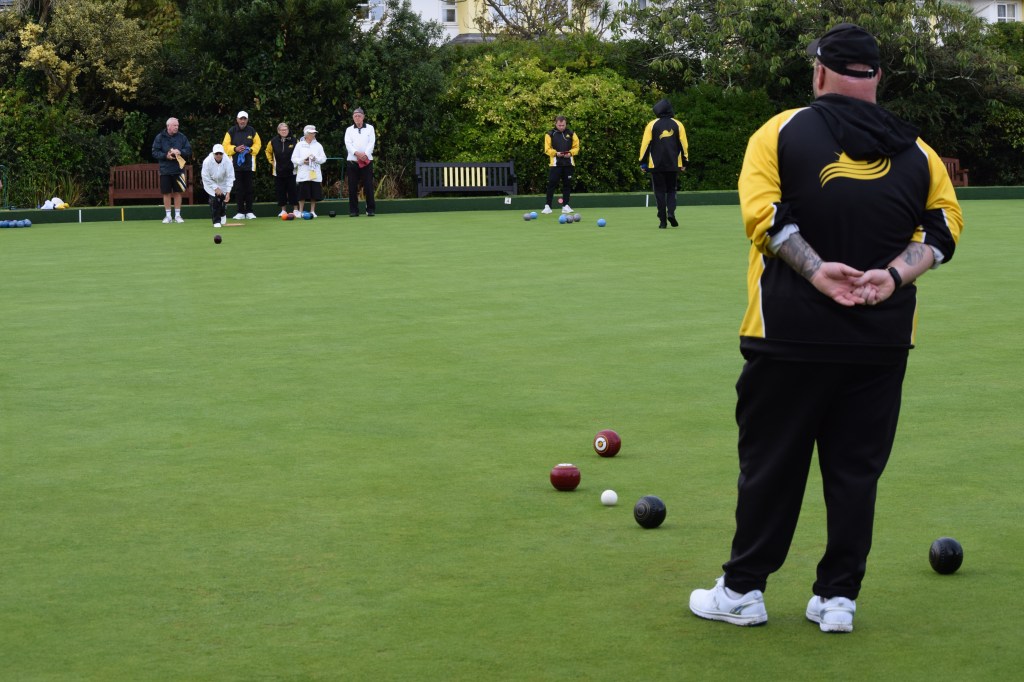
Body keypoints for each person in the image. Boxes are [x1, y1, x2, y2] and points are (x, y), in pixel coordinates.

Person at [688, 23, 963, 633]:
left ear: (818, 73)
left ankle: (742, 590)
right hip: (881, 339)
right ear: (877, 77)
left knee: (771, 466)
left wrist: (817, 273)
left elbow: (765, 218)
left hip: (788, 334)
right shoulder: (918, 152)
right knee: (855, 472)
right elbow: (944, 230)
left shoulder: (778, 131)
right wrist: (892, 276)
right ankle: (838, 599)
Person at [639, 100, 688, 229]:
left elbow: (645, 145)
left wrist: (643, 163)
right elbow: (684, 145)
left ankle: (662, 221)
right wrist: (685, 162)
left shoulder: (651, 125)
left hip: (656, 165)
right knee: (671, 190)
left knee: (659, 191)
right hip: (673, 163)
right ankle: (671, 212)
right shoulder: (678, 124)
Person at [151, 117, 192, 223]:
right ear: (168, 126)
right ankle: (168, 216)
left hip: (179, 169)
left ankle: (178, 216)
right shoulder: (160, 137)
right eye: (174, 125)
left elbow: (188, 150)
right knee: (166, 193)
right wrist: (166, 156)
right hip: (165, 170)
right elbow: (154, 152)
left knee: (178, 192)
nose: (176, 127)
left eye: (177, 125)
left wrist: (180, 152)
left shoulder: (182, 137)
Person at [222, 111, 262, 220]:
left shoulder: (252, 131)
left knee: (249, 189)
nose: (243, 121)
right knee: (239, 189)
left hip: (249, 165)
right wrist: (235, 149)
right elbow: (225, 146)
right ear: (237, 119)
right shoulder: (231, 131)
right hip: (235, 166)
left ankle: (249, 211)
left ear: (247, 120)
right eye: (241, 119)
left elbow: (258, 144)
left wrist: (250, 150)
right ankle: (240, 211)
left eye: (244, 119)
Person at [541, 115, 579, 215]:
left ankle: (565, 206)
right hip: (555, 164)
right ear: (556, 124)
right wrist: (556, 153)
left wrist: (570, 153)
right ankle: (548, 206)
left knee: (567, 185)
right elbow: (547, 149)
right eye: (559, 125)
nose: (561, 127)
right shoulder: (550, 134)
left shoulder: (571, 133)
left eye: (563, 125)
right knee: (551, 184)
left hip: (568, 163)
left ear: (566, 124)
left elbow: (576, 147)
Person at [344, 107, 376, 217]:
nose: (357, 118)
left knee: (368, 186)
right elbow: (348, 144)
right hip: (352, 161)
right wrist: (357, 153)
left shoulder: (370, 128)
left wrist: (365, 154)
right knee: (352, 187)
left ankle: (370, 210)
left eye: (359, 116)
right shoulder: (349, 130)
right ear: (353, 118)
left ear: (363, 117)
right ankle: (354, 210)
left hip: (367, 161)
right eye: (355, 116)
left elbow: (371, 142)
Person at [292, 125, 327, 218]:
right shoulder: (299, 145)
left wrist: (315, 159)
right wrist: (303, 161)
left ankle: (312, 211)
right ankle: (300, 211)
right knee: (302, 194)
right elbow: (294, 158)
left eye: (314, 133)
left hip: (315, 173)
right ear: (306, 134)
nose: (313, 134)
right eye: (311, 133)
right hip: (303, 173)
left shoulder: (318, 145)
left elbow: (323, 159)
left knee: (314, 194)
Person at [266, 122, 298, 218]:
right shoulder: (273, 141)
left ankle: (295, 210)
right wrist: (272, 162)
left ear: (288, 130)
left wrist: (296, 164)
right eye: (282, 130)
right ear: (278, 131)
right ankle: (283, 210)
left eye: (285, 129)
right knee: (281, 191)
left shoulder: (295, 141)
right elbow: (267, 151)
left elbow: (300, 152)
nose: (284, 131)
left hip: (292, 171)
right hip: (278, 171)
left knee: (293, 190)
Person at [201, 143, 234, 228]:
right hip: (210, 183)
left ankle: (222, 213)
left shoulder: (228, 161)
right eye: (216, 153)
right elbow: (205, 177)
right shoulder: (207, 161)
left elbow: (230, 177)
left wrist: (228, 192)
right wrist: (215, 188)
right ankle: (216, 221)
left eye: (220, 153)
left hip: (223, 183)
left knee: (222, 201)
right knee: (214, 201)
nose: (218, 155)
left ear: (223, 153)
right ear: (213, 153)